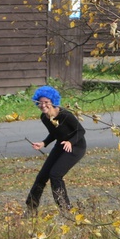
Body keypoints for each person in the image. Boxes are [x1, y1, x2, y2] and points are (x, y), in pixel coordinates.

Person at [25, 85, 86, 215]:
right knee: (42, 176)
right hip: (60, 145)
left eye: (46, 102)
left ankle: (65, 208)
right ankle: (31, 208)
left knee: (55, 175)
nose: (43, 105)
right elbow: (55, 133)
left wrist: (70, 142)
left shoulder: (65, 115)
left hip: (76, 146)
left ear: (52, 102)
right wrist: (43, 143)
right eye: (40, 103)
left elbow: (80, 131)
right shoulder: (44, 117)